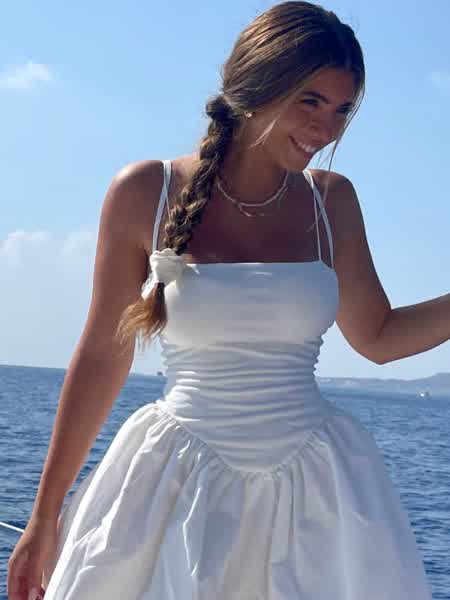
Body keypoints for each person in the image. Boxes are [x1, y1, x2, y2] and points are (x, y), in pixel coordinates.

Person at [7, 1, 442, 598]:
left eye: (342, 110)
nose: (326, 130)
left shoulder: (331, 201)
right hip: (175, 483)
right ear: (255, 86)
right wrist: (44, 516)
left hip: (317, 496)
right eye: (310, 101)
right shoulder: (146, 190)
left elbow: (380, 337)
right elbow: (103, 354)